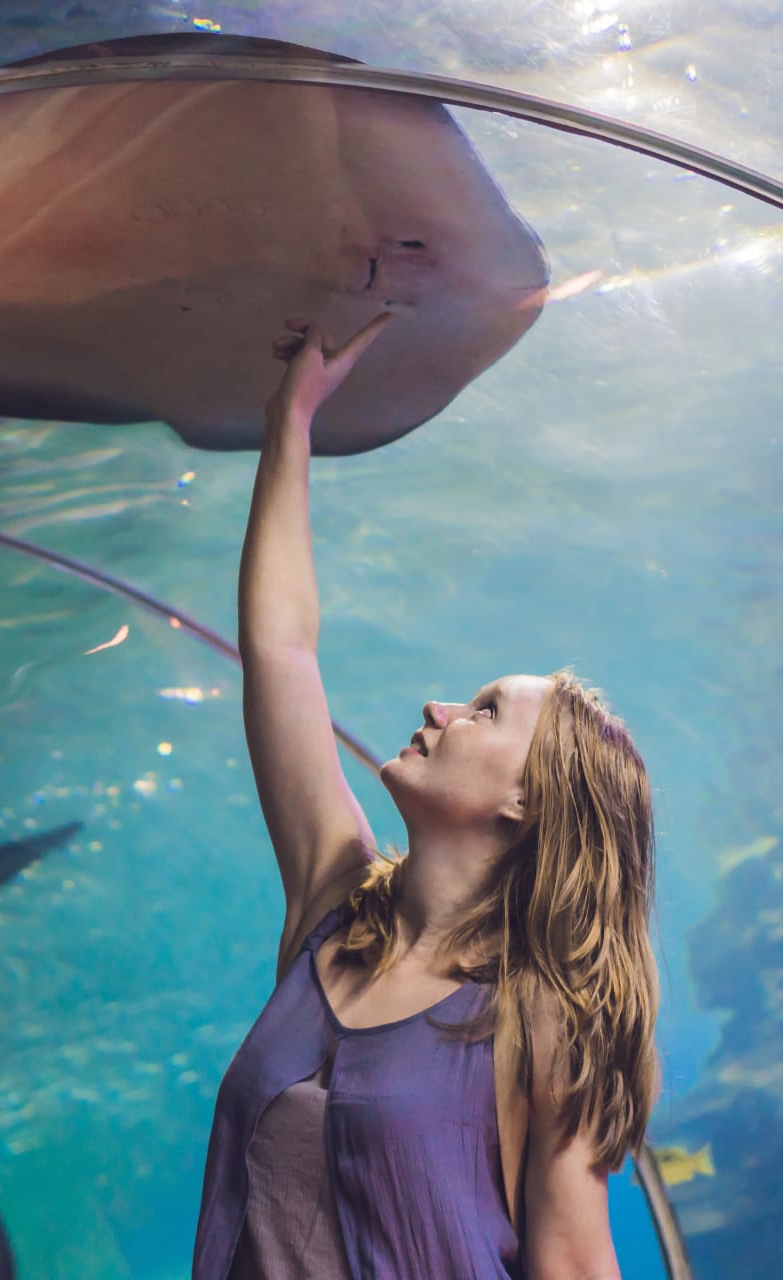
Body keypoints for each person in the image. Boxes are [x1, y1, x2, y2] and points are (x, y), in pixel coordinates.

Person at [192, 314, 660, 1280]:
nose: (438, 710)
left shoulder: (542, 1018)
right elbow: (281, 650)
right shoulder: (332, 911)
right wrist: (292, 422)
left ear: (527, 802)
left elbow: (575, 1267)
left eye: (483, 713)